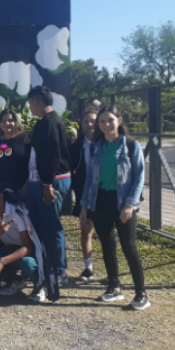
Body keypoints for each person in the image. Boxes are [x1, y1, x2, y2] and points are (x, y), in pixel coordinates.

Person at [80, 106, 149, 311]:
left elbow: (139, 177)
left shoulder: (131, 145)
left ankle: (141, 293)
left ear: (119, 120)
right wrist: (84, 205)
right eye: (102, 121)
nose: (106, 124)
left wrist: (130, 204)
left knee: (129, 247)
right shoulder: (97, 146)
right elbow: (89, 178)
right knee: (107, 245)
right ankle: (114, 287)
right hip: (100, 201)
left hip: (123, 203)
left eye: (110, 120)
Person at [25, 86, 71, 301]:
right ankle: (48, 265)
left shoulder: (50, 122)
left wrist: (47, 184)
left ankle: (58, 270)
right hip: (43, 181)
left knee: (52, 227)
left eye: (30, 103)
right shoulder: (45, 122)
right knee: (43, 227)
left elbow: (52, 155)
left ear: (37, 101)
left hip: (52, 181)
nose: (30, 108)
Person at [0, 180, 44, 301]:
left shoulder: (16, 211)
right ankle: (15, 281)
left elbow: (28, 247)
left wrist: (1, 262)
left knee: (28, 264)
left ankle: (41, 285)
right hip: (8, 249)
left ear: (1, 196)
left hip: (26, 253)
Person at [69, 110, 98, 282]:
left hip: (103, 194)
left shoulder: (106, 143)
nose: (89, 125)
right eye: (86, 121)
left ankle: (112, 271)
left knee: (105, 233)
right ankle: (88, 268)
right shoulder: (76, 146)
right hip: (84, 194)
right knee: (86, 230)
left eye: (93, 121)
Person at [0, 109, 30, 192]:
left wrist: (26, 187)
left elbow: (33, 165)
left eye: (10, 120)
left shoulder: (26, 139)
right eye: (3, 121)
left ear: (16, 122)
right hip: (0, 190)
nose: (7, 124)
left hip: (21, 190)